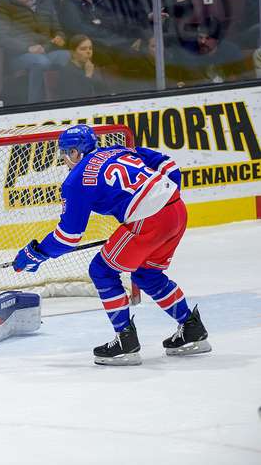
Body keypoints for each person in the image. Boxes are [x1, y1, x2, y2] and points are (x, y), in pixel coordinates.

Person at [12, 124, 211, 366]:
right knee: (147, 274)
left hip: (148, 221)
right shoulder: (117, 150)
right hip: (177, 210)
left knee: (102, 270)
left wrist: (36, 253)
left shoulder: (75, 181)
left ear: (75, 153)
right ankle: (192, 329)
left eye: (64, 153)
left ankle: (125, 342)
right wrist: (162, 198)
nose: (63, 160)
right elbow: (168, 164)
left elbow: (68, 237)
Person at [0, 0, 70, 103]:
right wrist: (28, 47)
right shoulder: (2, 6)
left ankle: (68, 100)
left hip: (46, 50)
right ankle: (35, 104)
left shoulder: (45, 2)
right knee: (39, 62)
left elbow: (58, 29)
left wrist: (59, 38)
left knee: (69, 56)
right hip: (18, 55)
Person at [56, 35, 108, 99]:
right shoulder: (66, 71)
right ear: (73, 53)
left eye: (90, 48)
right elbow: (78, 98)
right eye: (83, 49)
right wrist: (88, 75)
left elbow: (104, 92)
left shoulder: (91, 67)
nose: (88, 52)